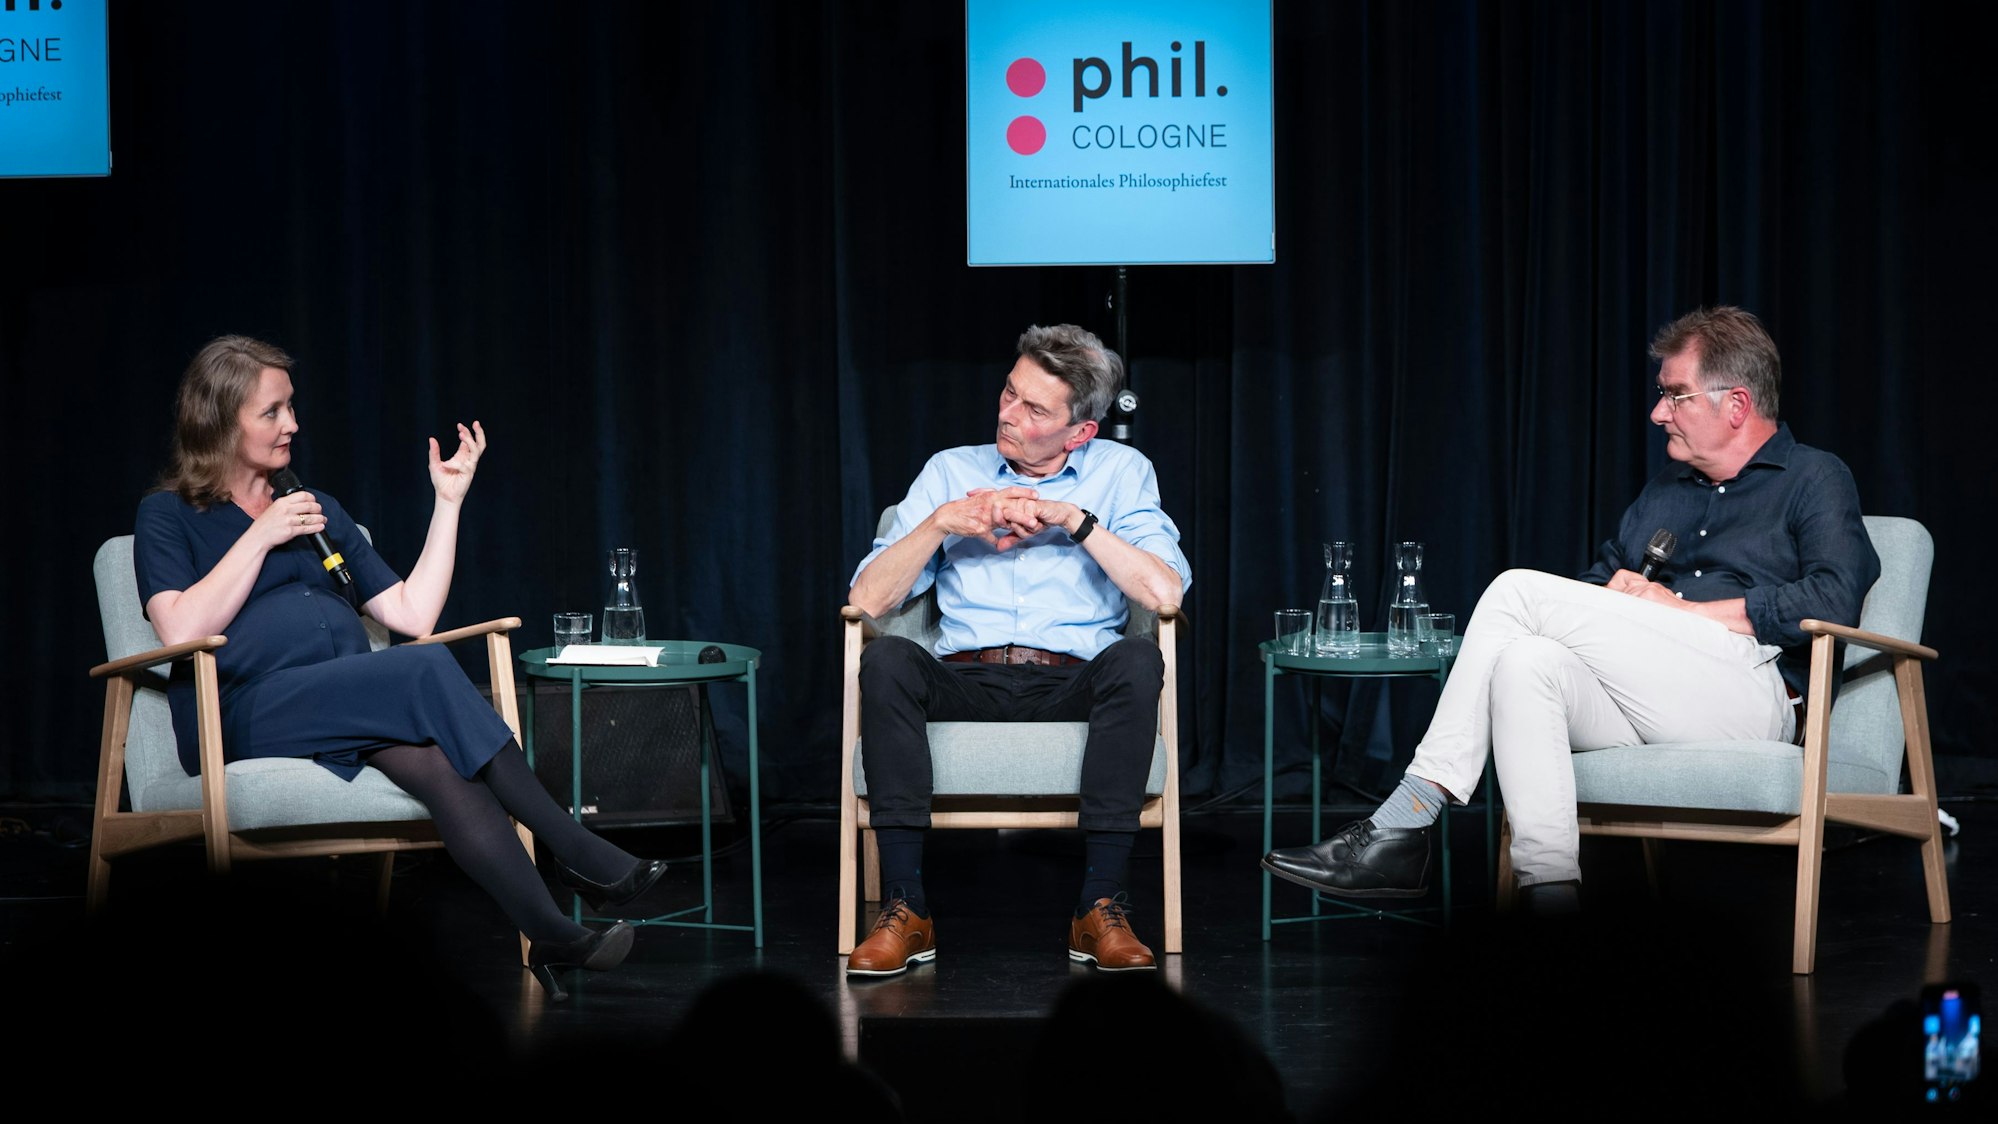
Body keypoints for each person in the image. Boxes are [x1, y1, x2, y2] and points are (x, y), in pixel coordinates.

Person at [1262, 306, 1880, 912]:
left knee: (1515, 590)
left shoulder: (1814, 477)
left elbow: (1834, 597)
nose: (1657, 412)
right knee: (1525, 663)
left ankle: (1408, 817)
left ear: (1736, 404)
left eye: (1676, 395)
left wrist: (1679, 612)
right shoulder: (1665, 492)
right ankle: (1551, 897)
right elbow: (1591, 589)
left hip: (1751, 696)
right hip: (1645, 698)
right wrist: (1618, 603)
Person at [133, 335, 666, 997]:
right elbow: (180, 626)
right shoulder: (169, 515)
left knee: (446, 768)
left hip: (343, 702)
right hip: (243, 712)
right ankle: (574, 847)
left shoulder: (315, 506)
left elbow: (411, 614)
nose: (292, 424)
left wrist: (448, 503)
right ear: (218, 420)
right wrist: (260, 535)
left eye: (291, 408)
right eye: (272, 412)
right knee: (422, 670)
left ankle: (554, 938)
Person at [845, 323, 1190, 975]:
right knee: (885, 657)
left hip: (1071, 684)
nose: (1008, 414)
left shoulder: (1121, 473)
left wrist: (1074, 519)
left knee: (1139, 658)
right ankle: (905, 908)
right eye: (1009, 392)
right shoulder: (952, 470)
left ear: (1080, 431)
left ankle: (1101, 906)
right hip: (964, 682)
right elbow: (866, 601)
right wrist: (944, 523)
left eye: (1034, 409)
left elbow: (1164, 588)